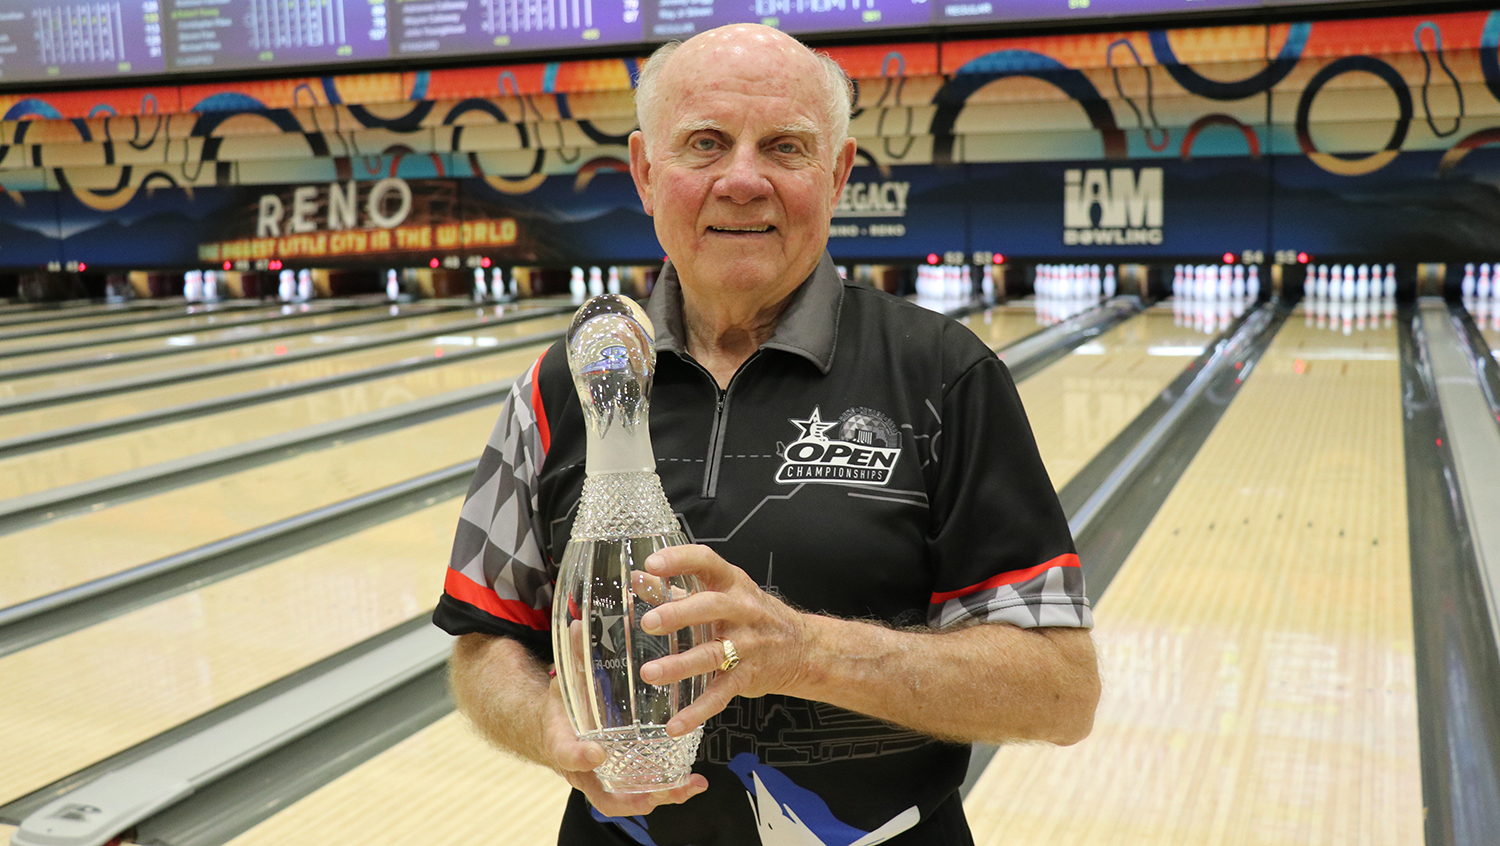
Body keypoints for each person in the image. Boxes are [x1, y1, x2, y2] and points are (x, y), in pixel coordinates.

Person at [434, 24, 1100, 845]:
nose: (742, 180)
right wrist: (545, 724)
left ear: (838, 174)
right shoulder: (562, 385)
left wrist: (802, 650)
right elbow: (484, 642)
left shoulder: (945, 377)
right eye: (705, 145)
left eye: (785, 147)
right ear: (645, 172)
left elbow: (1062, 691)